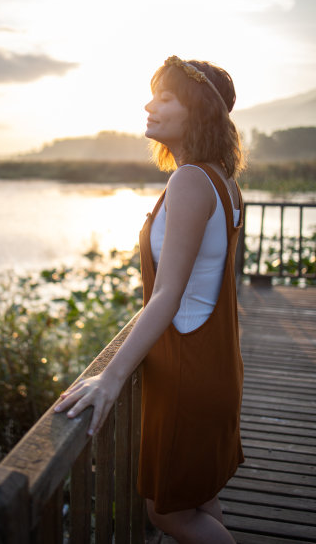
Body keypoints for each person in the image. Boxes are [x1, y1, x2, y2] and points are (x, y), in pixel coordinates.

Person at [55, 55, 245, 543]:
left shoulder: (190, 181)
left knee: (168, 514)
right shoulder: (223, 182)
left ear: (197, 110)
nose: (149, 104)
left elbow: (168, 295)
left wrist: (111, 378)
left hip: (186, 368)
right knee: (199, 499)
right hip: (211, 364)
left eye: (165, 97)